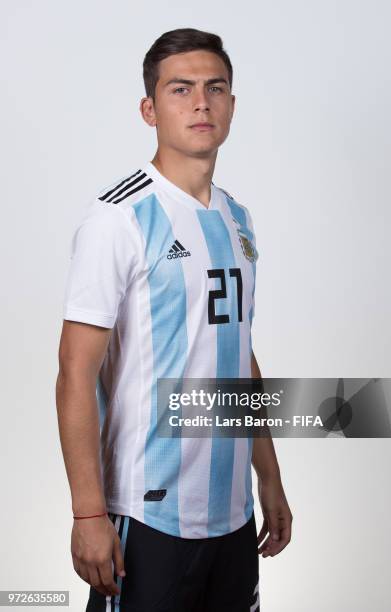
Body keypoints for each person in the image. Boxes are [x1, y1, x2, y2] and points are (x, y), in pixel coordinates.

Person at [56, 27, 292, 612]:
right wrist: (88, 511)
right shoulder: (120, 218)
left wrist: (270, 476)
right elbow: (74, 373)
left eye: (215, 88)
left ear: (232, 105)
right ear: (149, 109)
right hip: (150, 512)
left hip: (232, 515)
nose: (200, 102)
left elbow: (238, 354)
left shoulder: (238, 219)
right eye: (180, 89)